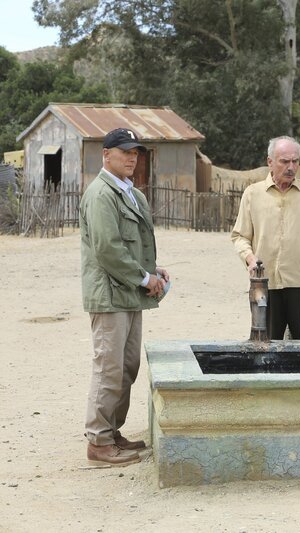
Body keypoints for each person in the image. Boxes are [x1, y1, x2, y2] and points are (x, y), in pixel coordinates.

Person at [79, 127, 169, 467]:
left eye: (136, 152)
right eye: (125, 151)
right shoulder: (101, 194)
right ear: (106, 155)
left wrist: (153, 270)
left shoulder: (130, 192)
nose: (132, 157)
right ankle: (98, 443)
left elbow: (130, 245)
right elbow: (108, 249)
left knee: (126, 367)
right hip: (109, 295)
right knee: (109, 367)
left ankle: (112, 432)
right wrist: (144, 278)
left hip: (128, 293)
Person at [231, 135, 300, 339]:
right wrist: (250, 259)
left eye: (295, 161)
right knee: (266, 346)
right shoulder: (253, 194)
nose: (291, 167)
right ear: (270, 162)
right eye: (284, 161)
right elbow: (240, 236)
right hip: (264, 284)